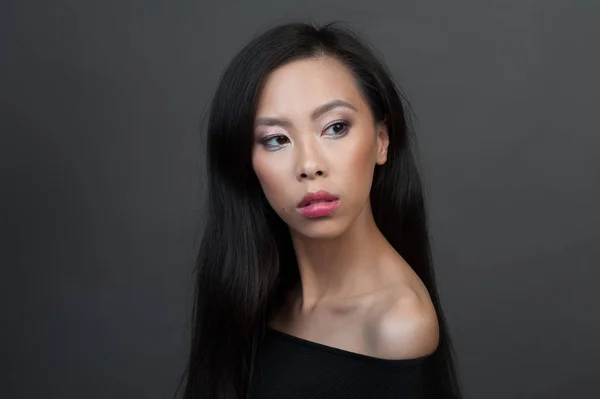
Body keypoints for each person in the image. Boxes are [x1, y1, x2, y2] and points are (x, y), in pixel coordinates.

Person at [180, 22, 462, 399]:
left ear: (382, 140)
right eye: (277, 140)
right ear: (245, 162)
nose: (309, 165)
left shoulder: (395, 325)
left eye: (335, 127)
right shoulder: (258, 290)